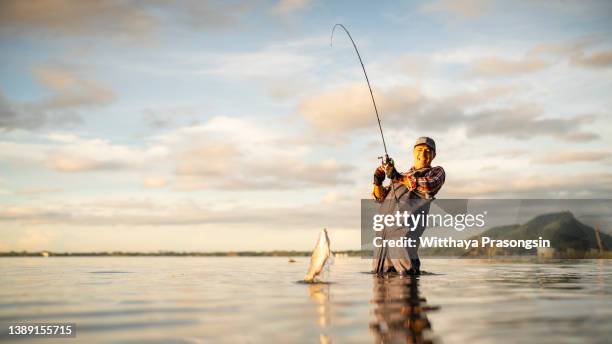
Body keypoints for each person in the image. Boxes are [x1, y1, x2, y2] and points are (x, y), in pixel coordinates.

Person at [371, 137, 445, 274]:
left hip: (402, 247)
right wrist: (377, 181)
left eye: (428, 151)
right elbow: (379, 197)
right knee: (379, 284)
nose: (423, 153)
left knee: (405, 283)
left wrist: (396, 175)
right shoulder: (401, 177)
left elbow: (428, 185)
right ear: (413, 152)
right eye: (420, 150)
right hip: (382, 247)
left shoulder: (436, 172)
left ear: (434, 155)